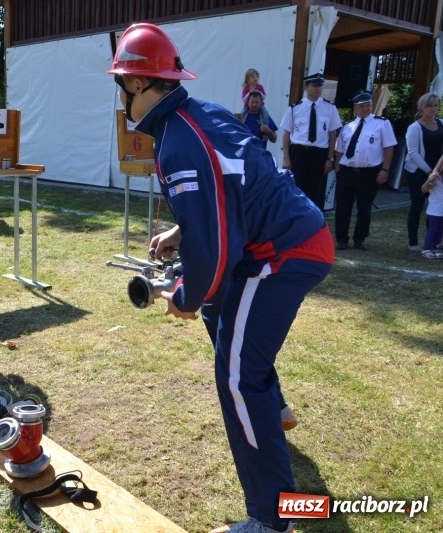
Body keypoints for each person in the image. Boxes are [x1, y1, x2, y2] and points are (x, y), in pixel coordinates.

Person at [109, 23, 334, 533]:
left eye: (122, 82)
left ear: (140, 84)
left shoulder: (177, 143)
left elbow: (217, 249)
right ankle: (272, 409)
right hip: (289, 237)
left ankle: (272, 520)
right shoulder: (198, 112)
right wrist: (180, 231)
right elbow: (229, 195)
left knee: (235, 376)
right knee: (224, 320)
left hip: (282, 252)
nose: (120, 94)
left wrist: (185, 294)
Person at [333, 90, 396, 251]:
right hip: (347, 171)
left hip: (369, 173)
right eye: (362, 106)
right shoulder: (347, 126)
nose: (365, 109)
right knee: (343, 207)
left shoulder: (382, 123)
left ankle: (360, 238)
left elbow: (389, 147)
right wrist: (338, 167)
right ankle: (341, 238)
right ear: (355, 108)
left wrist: (385, 169)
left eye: (368, 105)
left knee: (364, 207)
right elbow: (339, 148)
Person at [280, 73, 342, 211]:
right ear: (306, 87)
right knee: (297, 188)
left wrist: (329, 158)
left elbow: (333, 135)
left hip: (319, 154)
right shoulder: (294, 108)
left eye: (320, 85)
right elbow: (286, 134)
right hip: (299, 152)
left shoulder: (330, 108)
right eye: (314, 85)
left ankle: (315, 222)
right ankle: (297, 219)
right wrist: (286, 157)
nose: (318, 88)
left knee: (316, 189)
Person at [403, 92, 443, 252]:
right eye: (429, 106)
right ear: (422, 107)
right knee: (417, 206)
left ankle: (432, 240)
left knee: (436, 206)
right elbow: (413, 153)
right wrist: (429, 172)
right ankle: (413, 242)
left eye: (435, 106)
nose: (433, 109)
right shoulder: (414, 127)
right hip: (418, 171)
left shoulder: (441, 123)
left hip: (438, 171)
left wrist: (438, 170)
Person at [421, 159, 443, 258]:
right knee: (433, 229)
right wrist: (429, 180)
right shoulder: (435, 178)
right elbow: (424, 189)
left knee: (440, 230)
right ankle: (427, 248)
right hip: (434, 210)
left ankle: (435, 248)